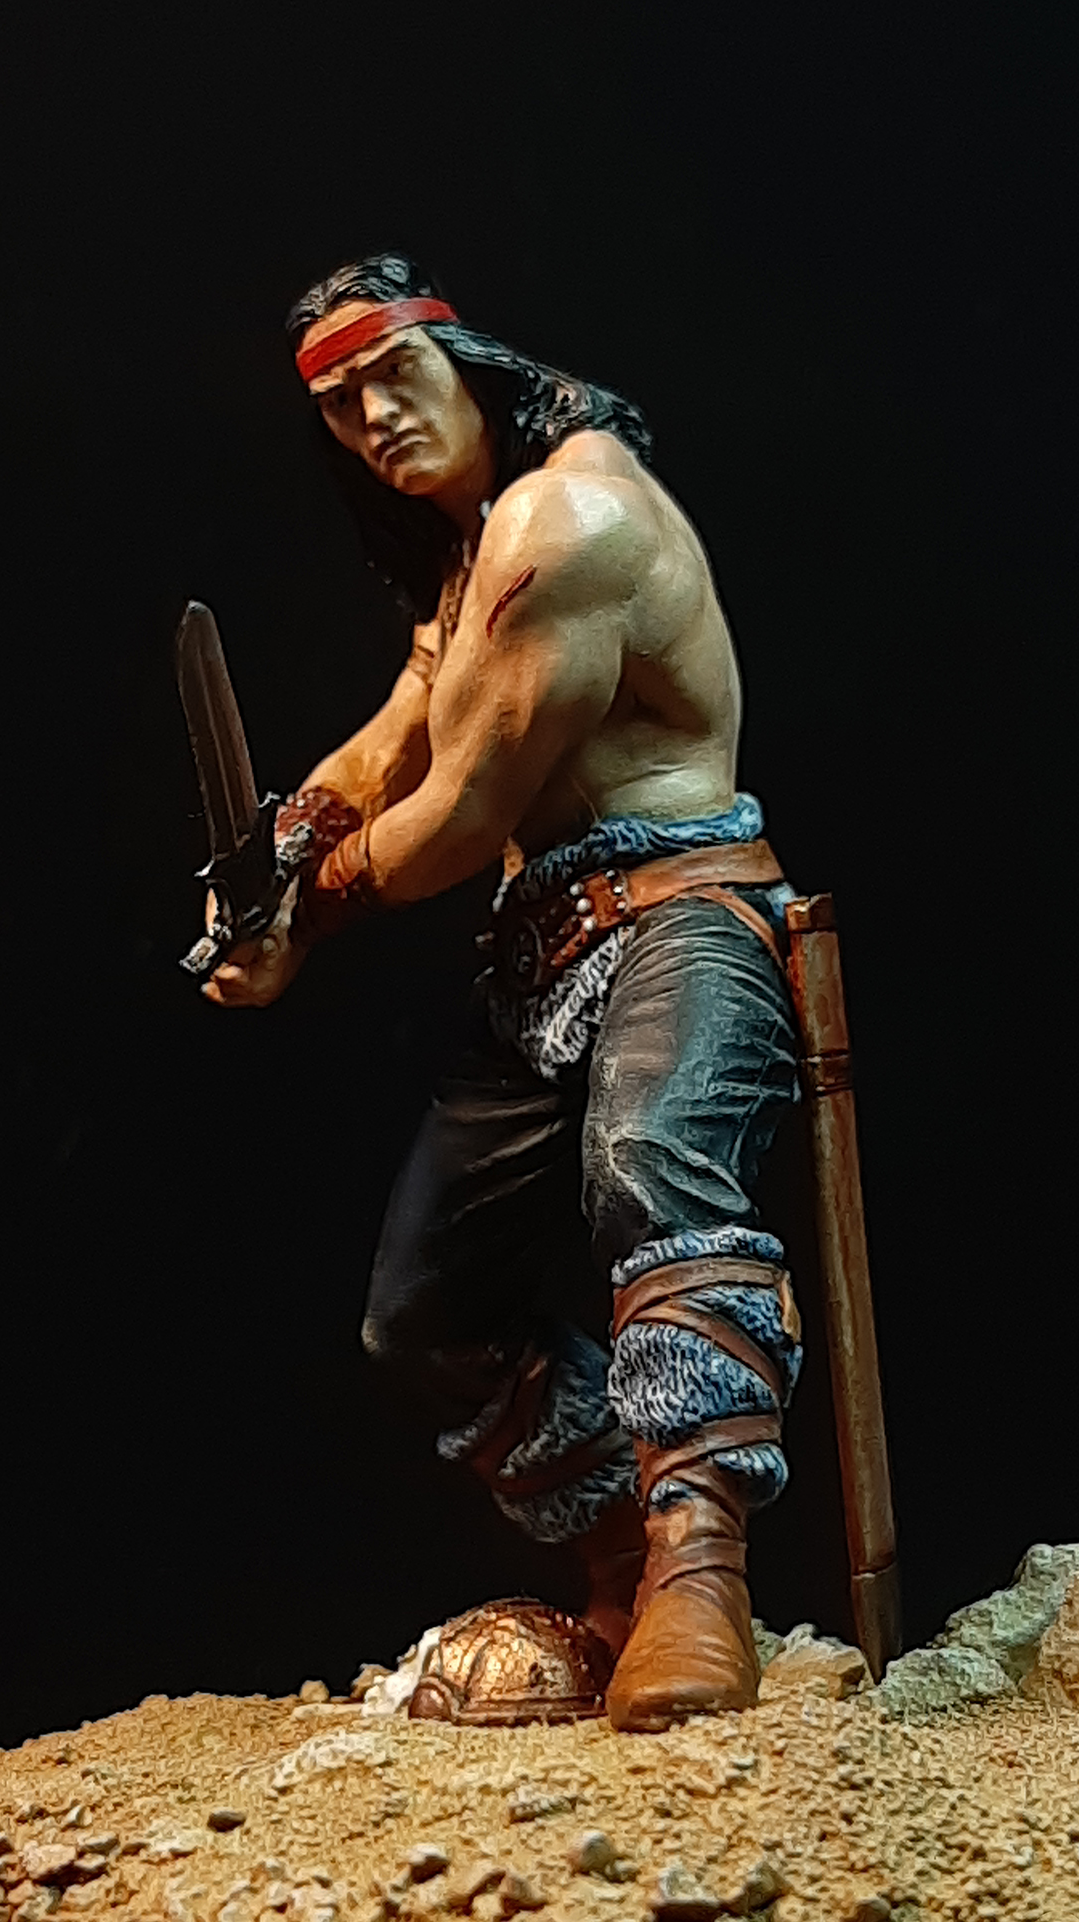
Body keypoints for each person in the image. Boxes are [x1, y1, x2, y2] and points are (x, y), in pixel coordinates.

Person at [203, 254, 803, 1731]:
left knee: (654, 1178)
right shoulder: (473, 551)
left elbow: (459, 815)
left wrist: (310, 917)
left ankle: (699, 1574)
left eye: (392, 376)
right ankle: (623, 1560)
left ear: (464, 358)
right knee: (423, 1316)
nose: (375, 420)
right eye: (340, 406)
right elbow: (395, 741)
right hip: (543, 950)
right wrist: (278, 852)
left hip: (677, 911)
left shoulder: (564, 522)